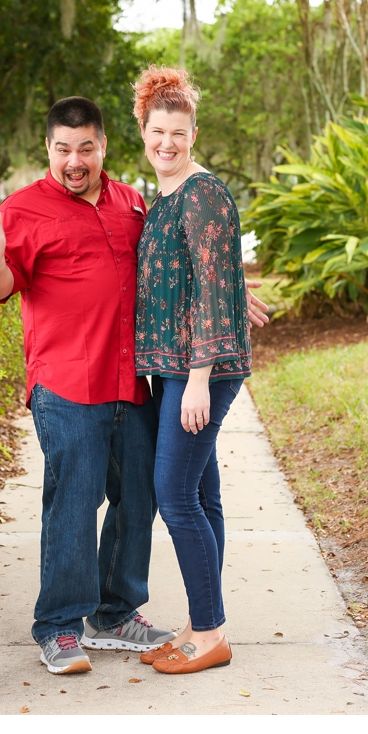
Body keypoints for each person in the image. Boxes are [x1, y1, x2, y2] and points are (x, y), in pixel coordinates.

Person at [0, 96, 268, 677]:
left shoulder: (131, 201)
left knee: (143, 497)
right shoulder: (22, 210)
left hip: (133, 380)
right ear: (48, 148)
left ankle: (116, 610)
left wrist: (227, 288)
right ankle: (59, 626)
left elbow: (174, 261)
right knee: (74, 502)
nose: (75, 160)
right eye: (62, 149)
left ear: (103, 147)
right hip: (68, 383)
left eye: (86, 148)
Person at [130, 67, 251, 675]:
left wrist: (199, 379)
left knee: (174, 494)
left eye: (178, 132)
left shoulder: (203, 193)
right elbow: (204, 274)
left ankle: (210, 632)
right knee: (201, 494)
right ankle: (201, 620)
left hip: (199, 367)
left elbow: (206, 288)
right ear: (144, 132)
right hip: (177, 366)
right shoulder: (167, 195)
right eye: (158, 131)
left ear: (194, 133)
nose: (167, 143)